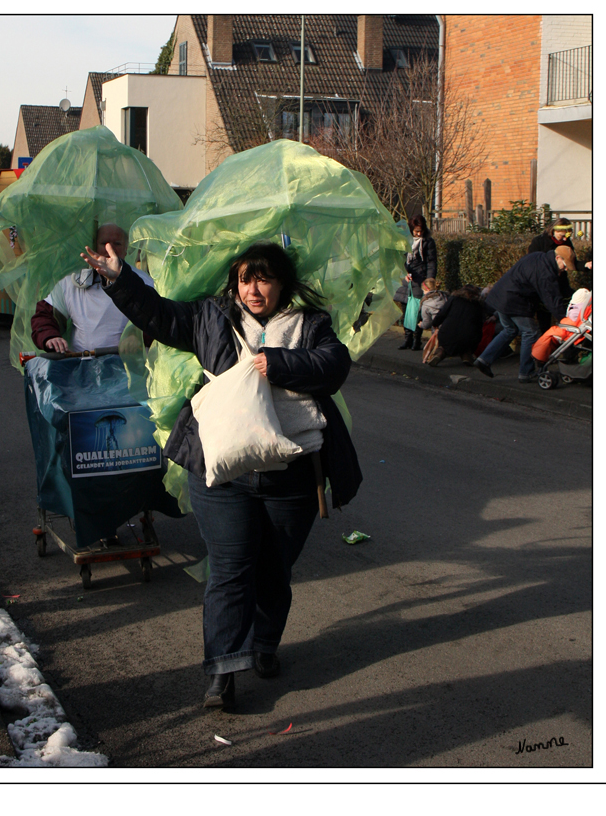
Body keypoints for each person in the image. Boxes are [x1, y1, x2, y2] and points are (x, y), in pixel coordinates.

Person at [82, 239, 361, 710]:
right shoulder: (210, 316)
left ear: (282, 283)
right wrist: (119, 279)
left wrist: (278, 363)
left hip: (290, 475)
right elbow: (159, 315)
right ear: (235, 283)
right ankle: (223, 670)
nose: (255, 290)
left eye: (265, 278)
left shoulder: (311, 325)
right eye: (246, 279)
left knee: (274, 571)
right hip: (223, 473)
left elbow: (334, 366)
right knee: (230, 571)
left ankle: (264, 644)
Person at [31, 224, 154, 354]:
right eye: (104, 243)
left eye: (117, 244)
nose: (110, 249)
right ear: (94, 246)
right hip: (80, 365)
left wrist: (142, 338)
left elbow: (159, 322)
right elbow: (45, 315)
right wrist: (50, 337)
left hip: (128, 367)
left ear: (126, 248)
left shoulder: (143, 282)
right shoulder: (73, 282)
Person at [474, 245, 576, 383]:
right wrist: (564, 320)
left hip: (500, 296)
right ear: (557, 258)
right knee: (531, 333)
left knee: (510, 330)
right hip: (514, 301)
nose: (565, 269)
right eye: (565, 265)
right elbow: (551, 299)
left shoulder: (538, 256)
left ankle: (484, 359)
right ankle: (526, 373)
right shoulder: (546, 273)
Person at [393, 215, 437, 351]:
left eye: (421, 231)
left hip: (421, 280)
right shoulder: (405, 240)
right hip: (407, 280)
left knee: (418, 311)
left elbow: (431, 263)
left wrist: (429, 282)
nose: (419, 233)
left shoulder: (428, 242)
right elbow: (399, 259)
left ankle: (417, 340)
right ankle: (407, 339)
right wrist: (403, 272)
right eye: (416, 231)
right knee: (406, 310)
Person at [426, 285, 485, 367]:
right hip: (468, 336)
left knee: (445, 345)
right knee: (466, 343)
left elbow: (443, 313)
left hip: (447, 333)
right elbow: (480, 322)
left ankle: (440, 353)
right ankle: (466, 355)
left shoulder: (454, 299)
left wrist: (435, 323)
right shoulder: (478, 304)